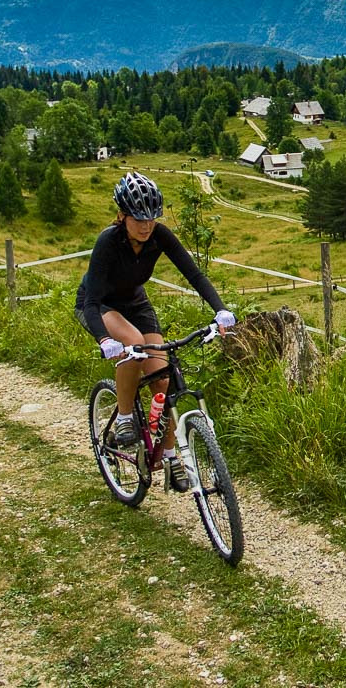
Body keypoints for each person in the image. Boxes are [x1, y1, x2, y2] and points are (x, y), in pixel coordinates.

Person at [76, 172, 235, 492]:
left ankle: (170, 455)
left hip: (136, 304)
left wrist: (220, 310)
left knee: (163, 378)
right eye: (138, 219)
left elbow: (194, 275)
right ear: (122, 215)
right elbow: (91, 302)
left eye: (151, 218)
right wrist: (104, 339)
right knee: (133, 344)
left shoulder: (159, 235)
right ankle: (124, 418)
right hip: (99, 305)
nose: (146, 225)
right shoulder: (108, 241)